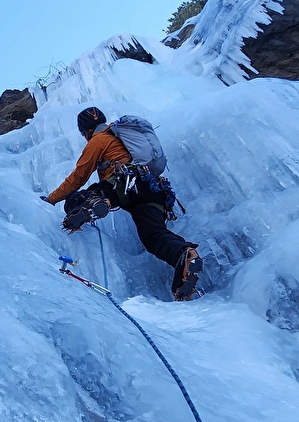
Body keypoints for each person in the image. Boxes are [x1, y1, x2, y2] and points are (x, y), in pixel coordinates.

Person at [42, 106, 203, 301]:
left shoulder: (98, 140)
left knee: (75, 198)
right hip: (153, 191)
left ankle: (95, 202)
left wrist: (51, 199)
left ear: (86, 131)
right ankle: (184, 254)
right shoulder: (121, 139)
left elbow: (78, 177)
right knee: (154, 236)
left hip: (126, 183)